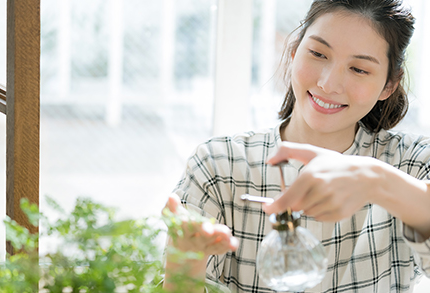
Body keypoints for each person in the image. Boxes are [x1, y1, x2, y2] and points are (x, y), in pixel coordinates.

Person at [163, 0, 430, 292]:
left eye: (358, 69)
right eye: (317, 53)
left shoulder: (412, 162)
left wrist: (377, 181)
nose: (329, 84)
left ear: (389, 85)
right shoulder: (218, 164)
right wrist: (185, 262)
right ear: (293, 52)